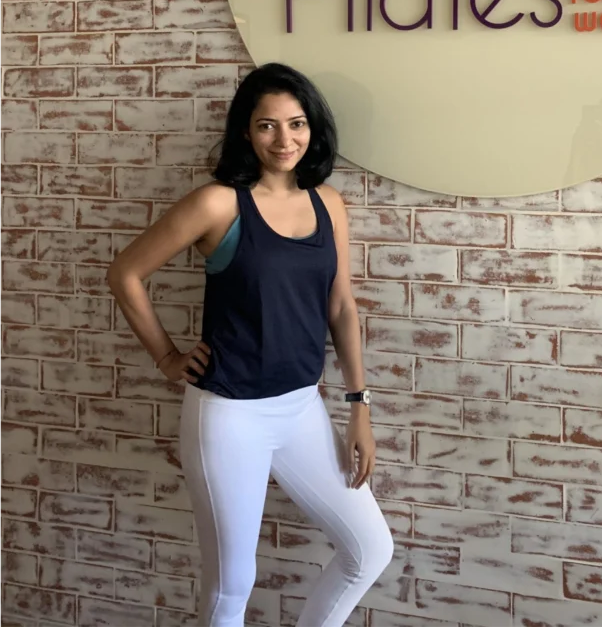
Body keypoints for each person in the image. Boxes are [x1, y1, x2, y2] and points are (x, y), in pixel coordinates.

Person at [107, 63, 394, 627]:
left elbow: (341, 306)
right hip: (229, 414)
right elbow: (125, 274)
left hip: (301, 408)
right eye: (267, 125)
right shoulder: (219, 203)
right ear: (246, 130)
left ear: (312, 128)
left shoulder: (328, 203)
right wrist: (167, 357)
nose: (284, 139)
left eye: (296, 124)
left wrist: (358, 406)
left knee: (369, 551)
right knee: (232, 586)